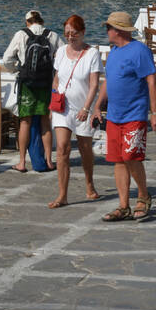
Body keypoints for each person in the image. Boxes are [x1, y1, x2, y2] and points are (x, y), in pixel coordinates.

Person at [100, 11, 156, 222]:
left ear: (117, 30)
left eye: (108, 27)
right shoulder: (114, 52)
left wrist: (155, 113)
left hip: (134, 114)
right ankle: (123, 205)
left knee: (131, 157)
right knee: (118, 160)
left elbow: (152, 82)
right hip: (114, 116)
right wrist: (97, 106)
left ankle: (143, 195)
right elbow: (108, 82)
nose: (106, 31)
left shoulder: (140, 51)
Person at [48, 14, 103, 208]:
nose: (71, 37)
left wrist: (87, 107)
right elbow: (56, 78)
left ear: (83, 32)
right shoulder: (61, 51)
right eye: (67, 33)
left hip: (83, 108)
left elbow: (94, 84)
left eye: (74, 33)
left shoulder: (92, 54)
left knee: (85, 148)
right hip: (62, 108)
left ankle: (89, 184)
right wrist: (54, 96)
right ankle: (62, 195)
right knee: (62, 148)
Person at [2, 10, 64, 173]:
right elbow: (64, 56)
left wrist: (17, 71)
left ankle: (22, 162)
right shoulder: (52, 35)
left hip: (27, 84)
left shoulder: (21, 34)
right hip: (45, 83)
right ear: (41, 21)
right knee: (45, 122)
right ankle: (49, 161)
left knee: (25, 122)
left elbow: (7, 59)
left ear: (27, 22)